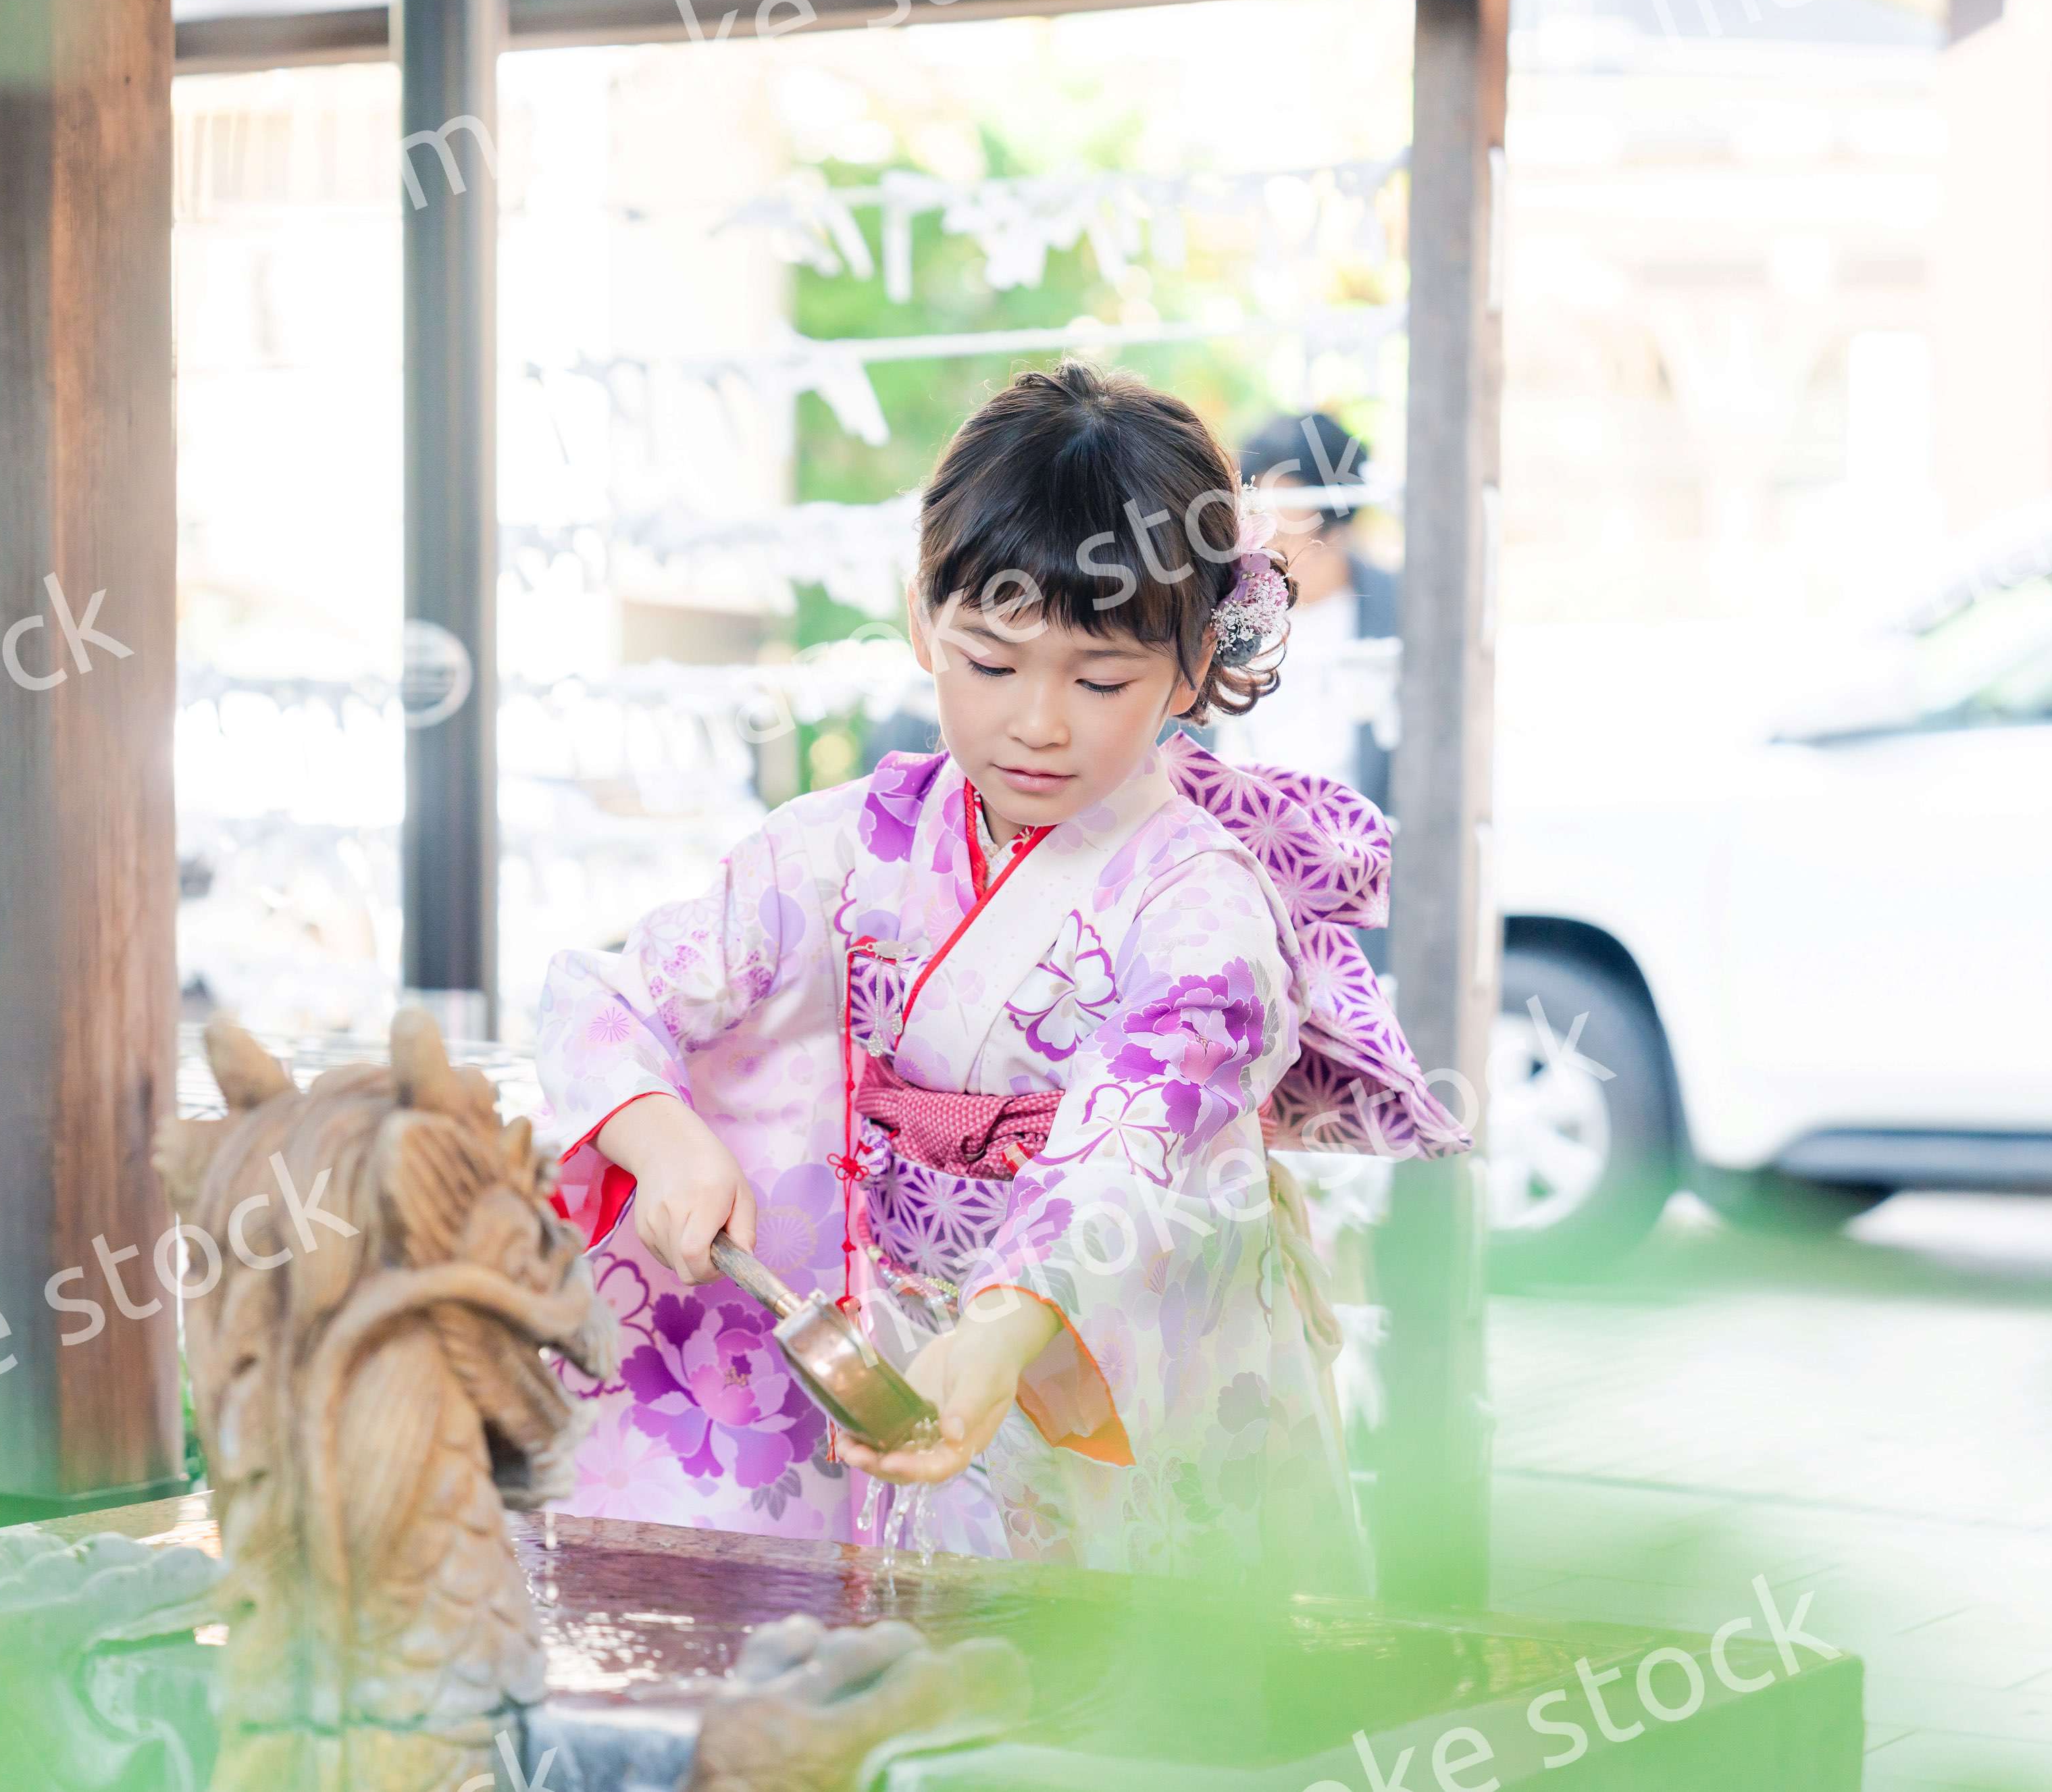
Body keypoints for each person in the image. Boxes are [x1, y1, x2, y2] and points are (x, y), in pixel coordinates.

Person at [536, 362, 1466, 1583]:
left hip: (1141, 1331)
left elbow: (1131, 1132)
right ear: (925, 621)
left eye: (1101, 679)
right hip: (918, 1333)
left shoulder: (1203, 900)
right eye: (991, 662)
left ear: (1192, 666)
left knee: (1162, 1710)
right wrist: (661, 1137)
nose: (1038, 721)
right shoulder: (839, 847)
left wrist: (1008, 1316)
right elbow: (614, 996)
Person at [1233, 411, 1397, 810]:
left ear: (1336, 524)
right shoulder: (1220, 609)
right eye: (1257, 522)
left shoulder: (1403, 609)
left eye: (1287, 525)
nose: (1265, 543)